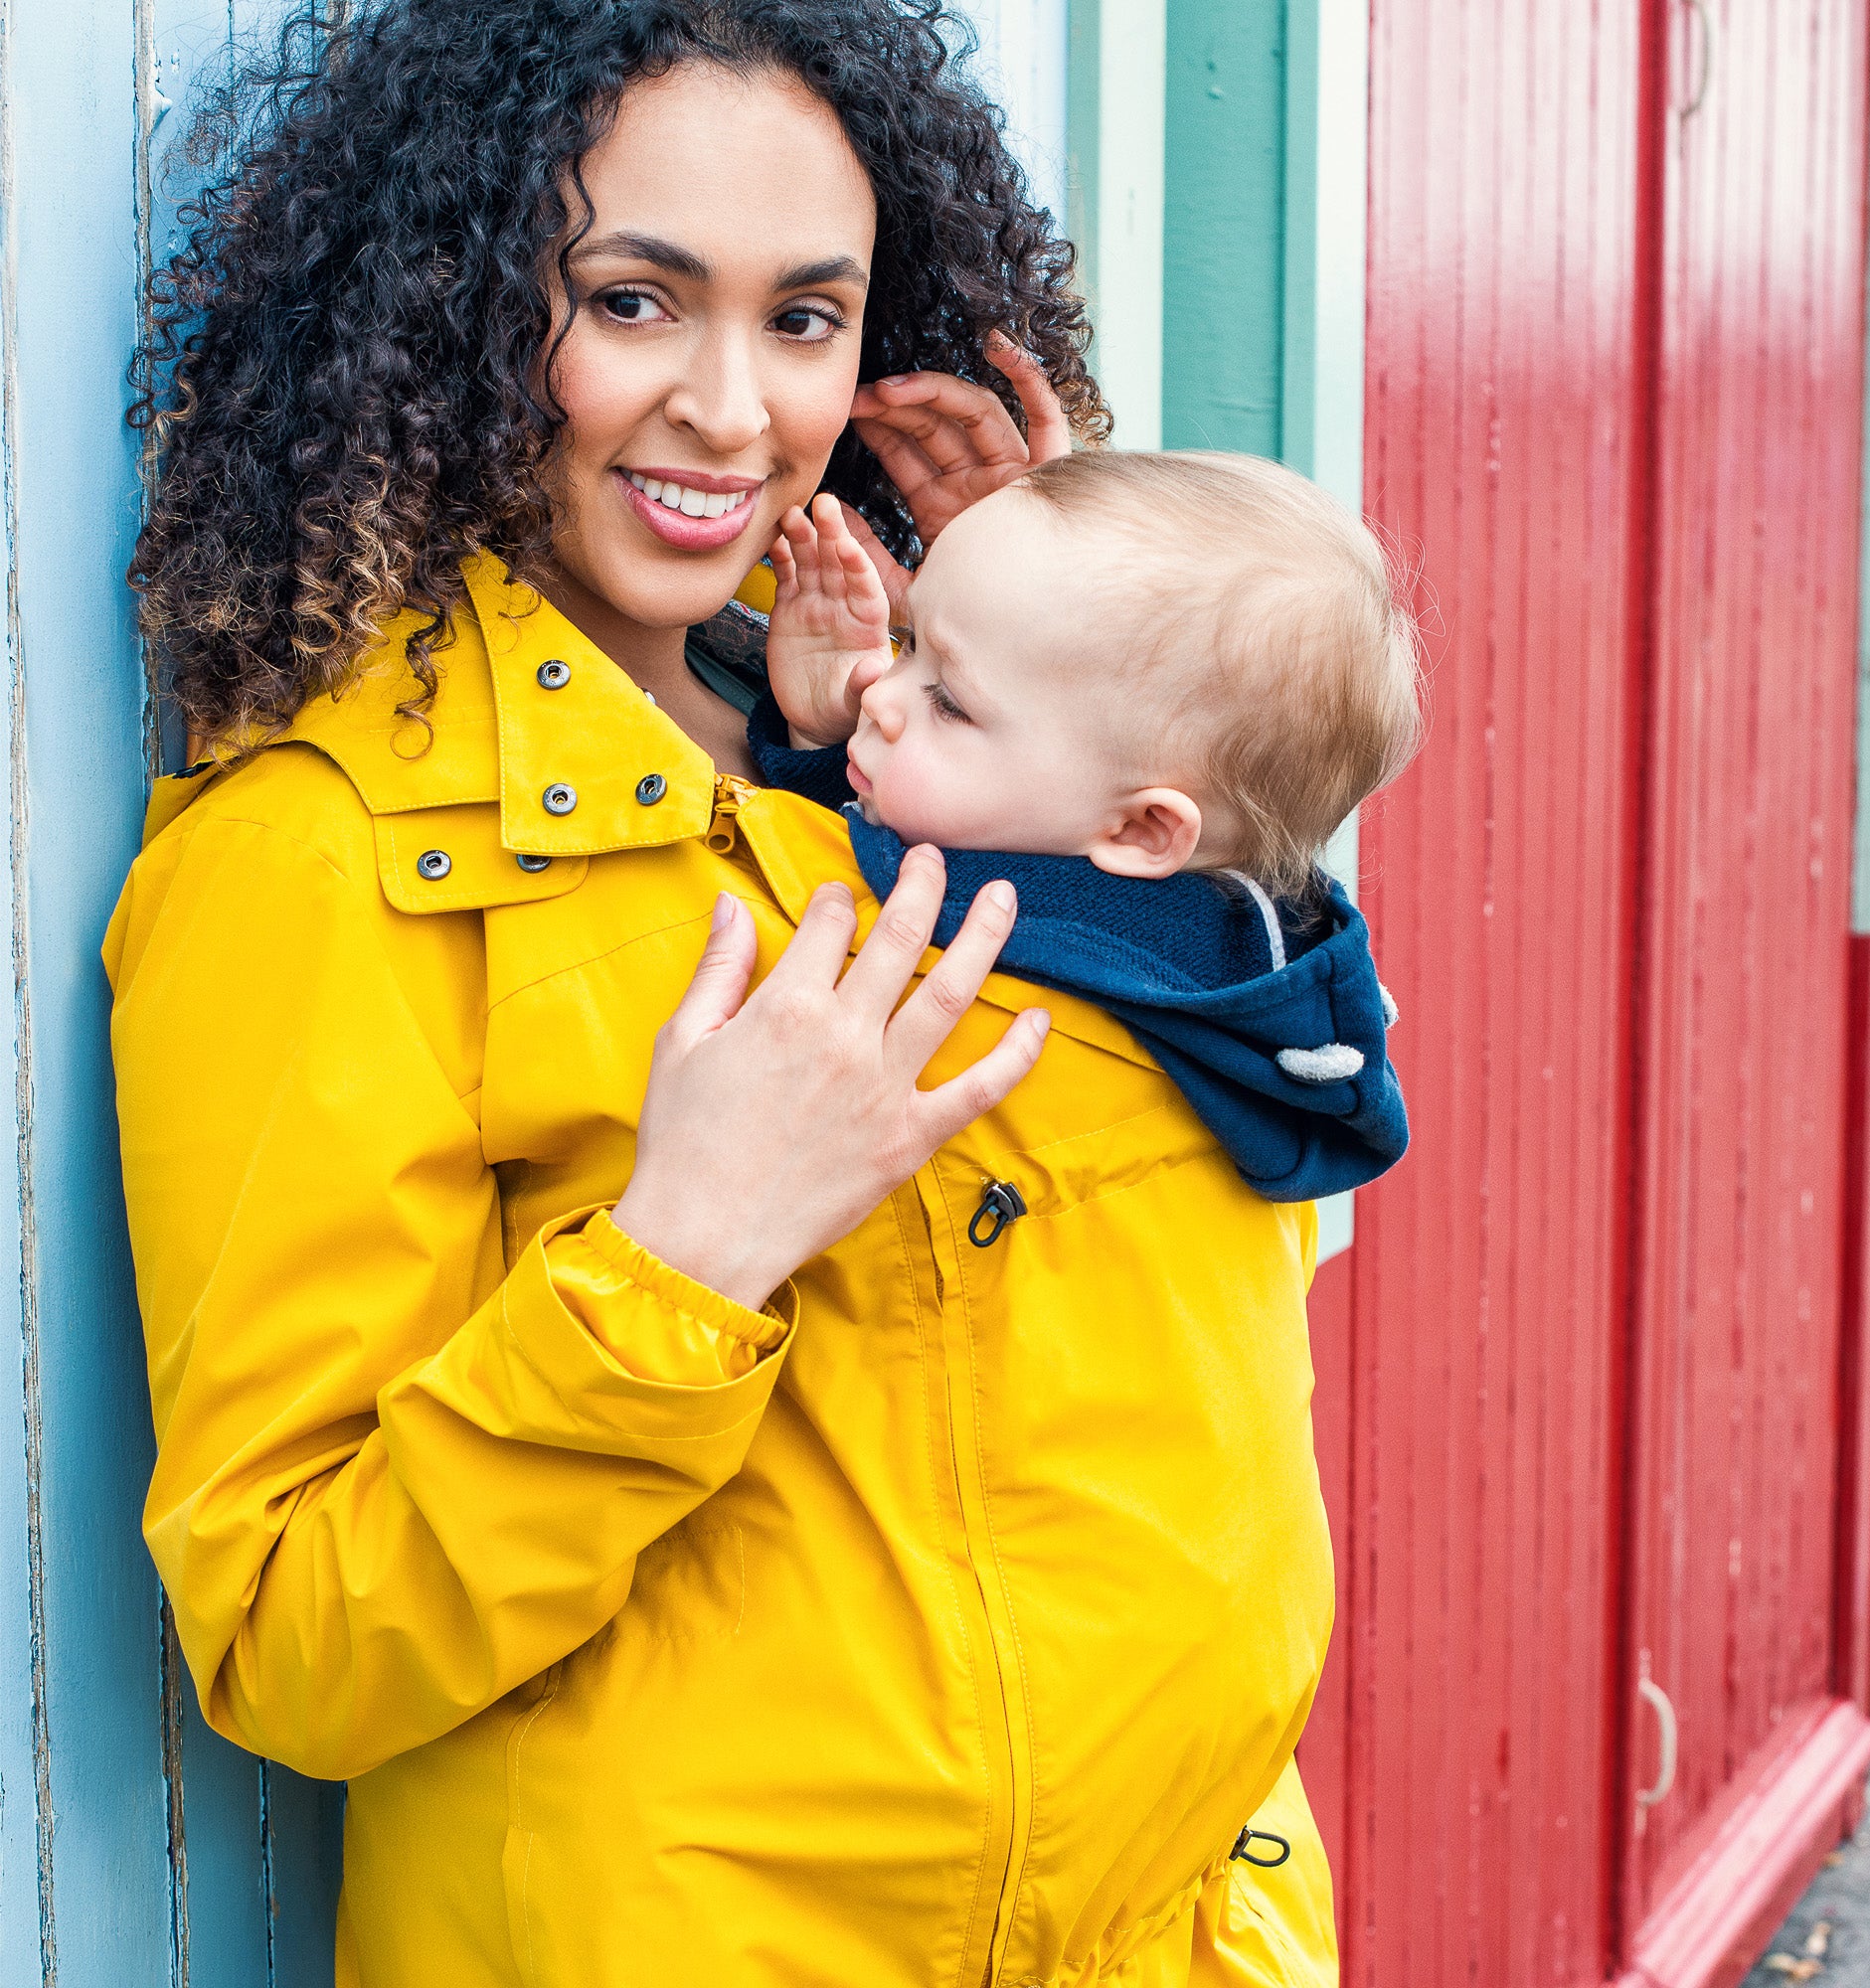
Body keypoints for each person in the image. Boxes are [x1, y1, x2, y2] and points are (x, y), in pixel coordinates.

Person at [108, 4, 1346, 1982]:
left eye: (802, 320)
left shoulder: (906, 762)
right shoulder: (328, 858)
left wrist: (1076, 678)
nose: (730, 408)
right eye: (629, 300)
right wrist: (686, 1253)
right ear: (452, 310)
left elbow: (1261, 1176)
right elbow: (296, 1637)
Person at [750, 451, 1420, 1202]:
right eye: (908, 645)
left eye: (950, 702)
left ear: (1140, 831)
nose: (876, 689)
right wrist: (822, 745)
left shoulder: (1056, 963)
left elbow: (828, 897)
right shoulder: (1243, 980)